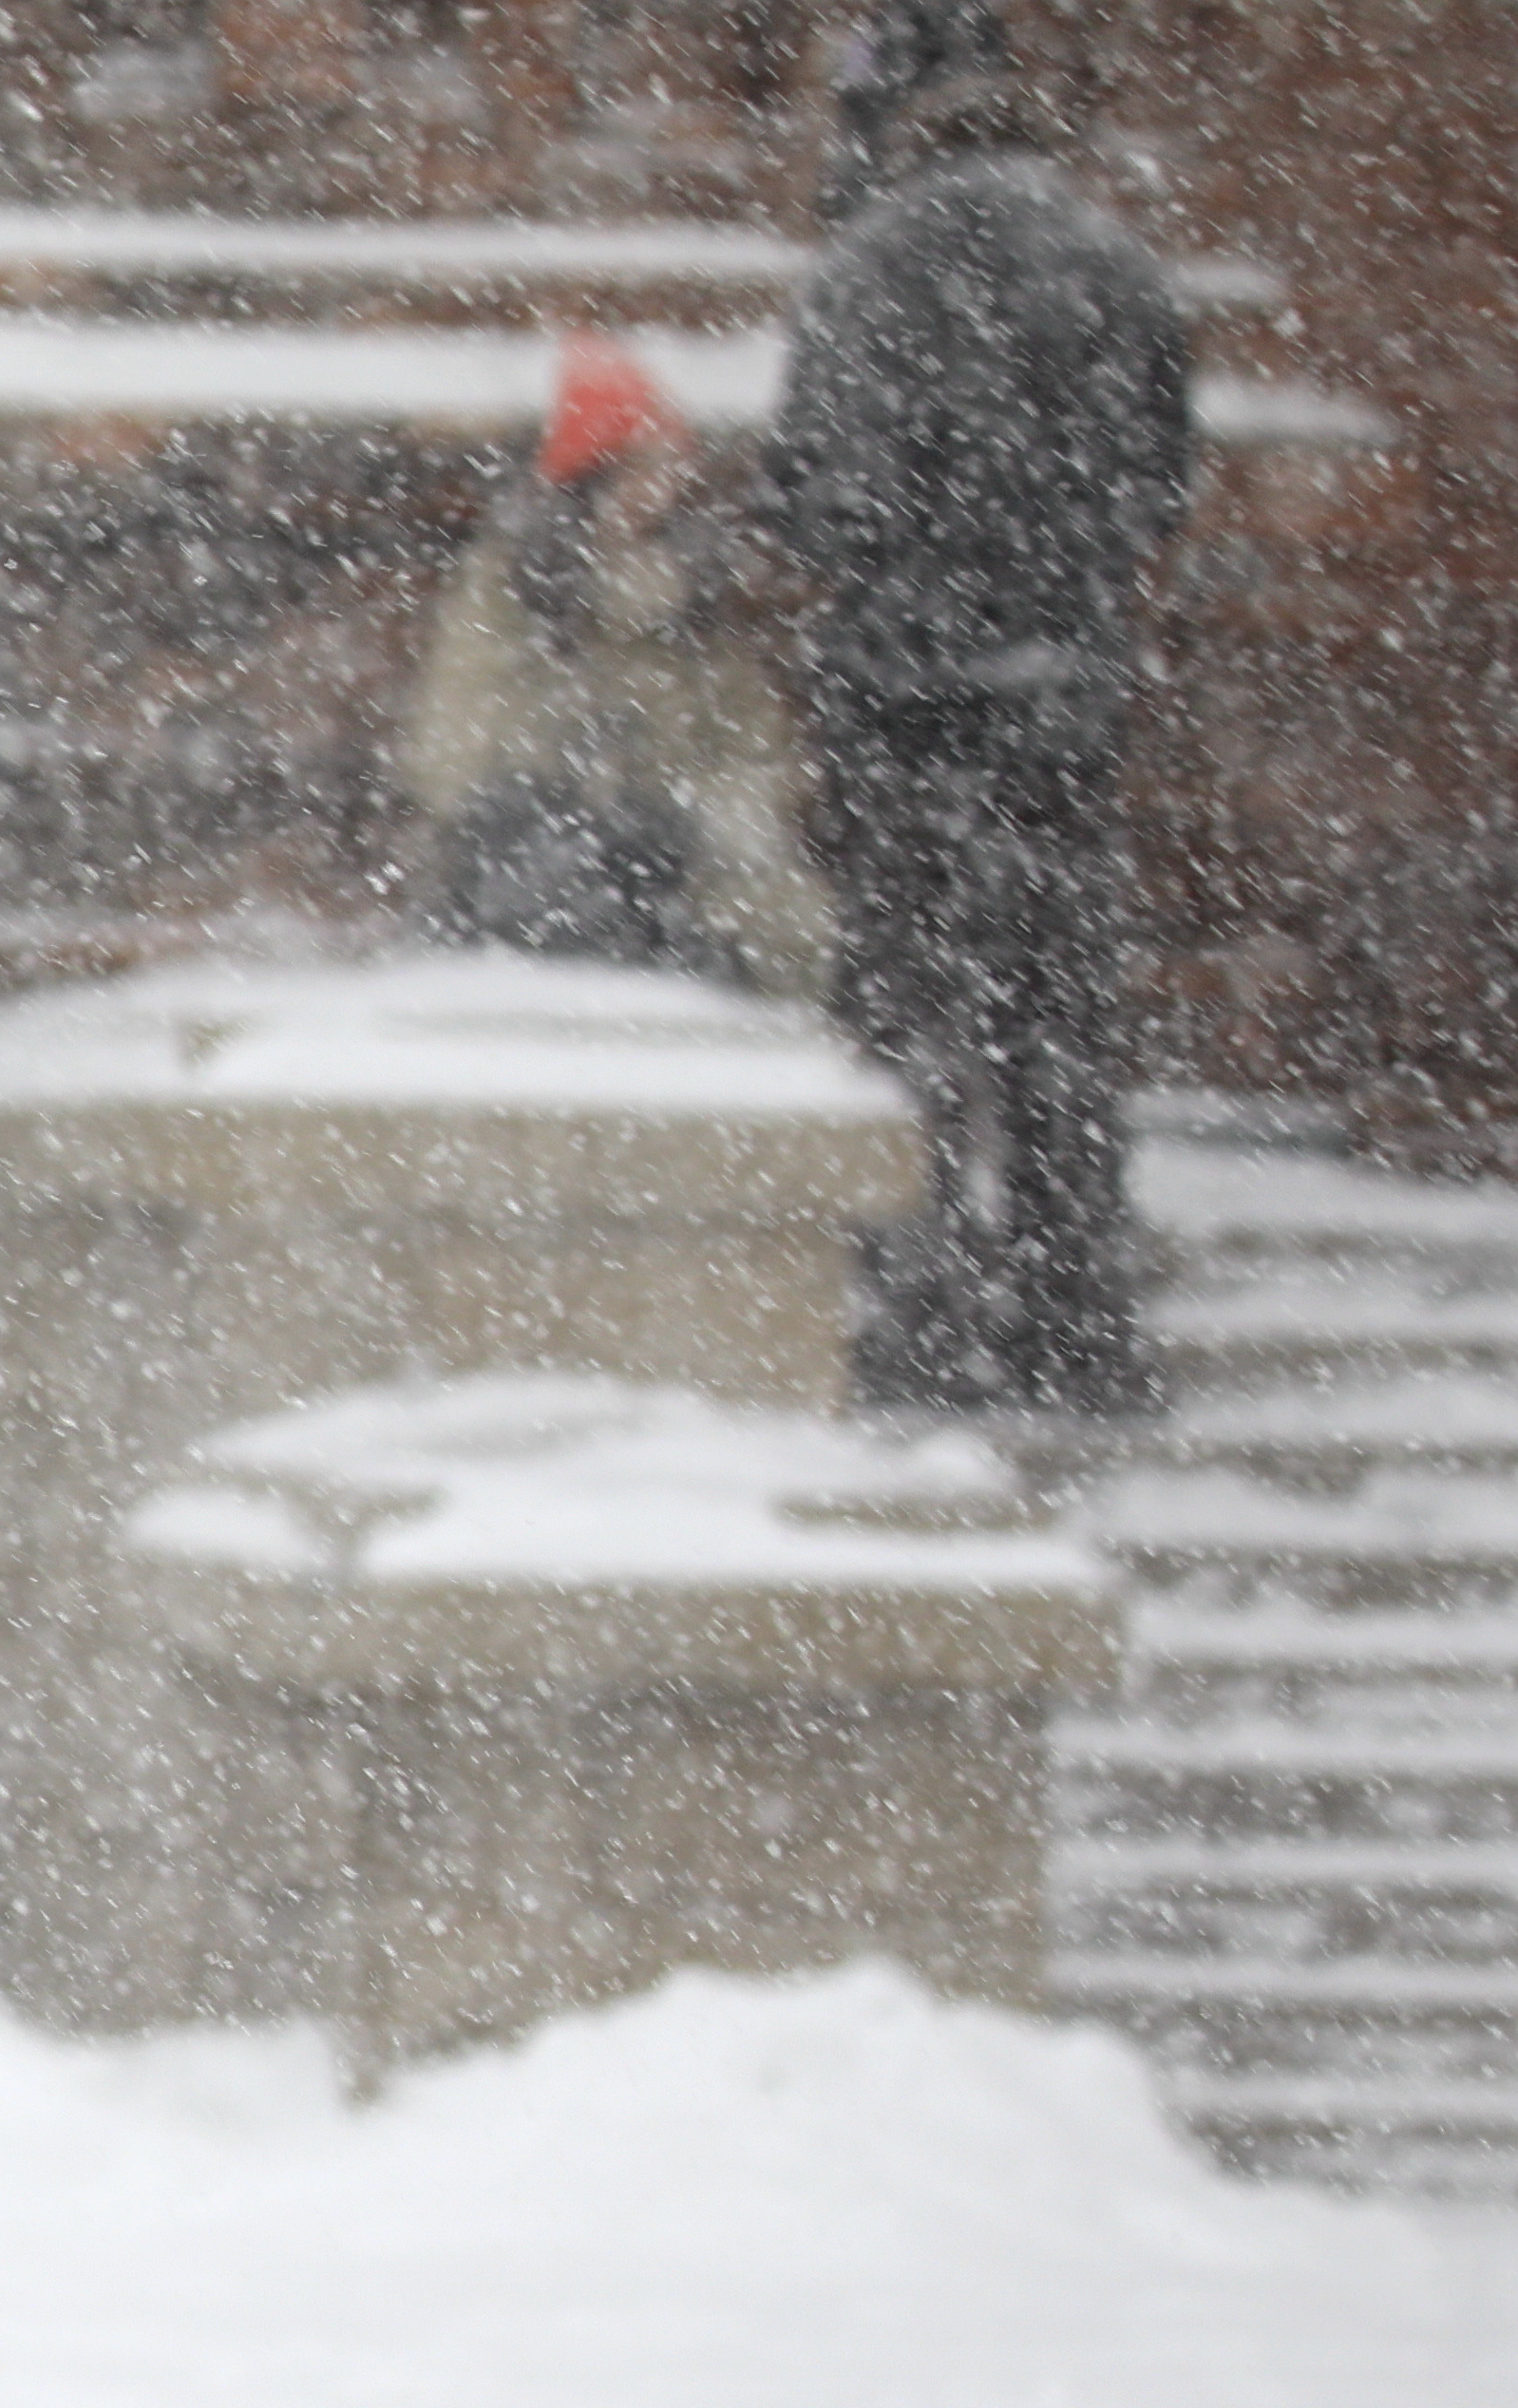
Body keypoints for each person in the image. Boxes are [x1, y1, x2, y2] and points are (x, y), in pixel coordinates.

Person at [775, 0, 1203, 1418]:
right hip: (1054, 705)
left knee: (897, 1011)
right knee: (1055, 1014)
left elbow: (811, 498)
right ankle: (1070, 1317)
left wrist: (905, 579)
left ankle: (911, 1306)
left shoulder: (857, 273)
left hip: (894, 700)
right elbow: (1154, 488)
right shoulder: (1115, 271)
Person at [390, 332, 839, 999]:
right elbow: (453, 740)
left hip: (689, 854)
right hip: (542, 844)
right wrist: (583, 780)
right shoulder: (508, 587)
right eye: (645, 466)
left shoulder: (695, 592)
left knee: (784, 934)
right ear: (597, 473)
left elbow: (750, 736)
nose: (665, 487)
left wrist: (711, 804)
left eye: (669, 466)